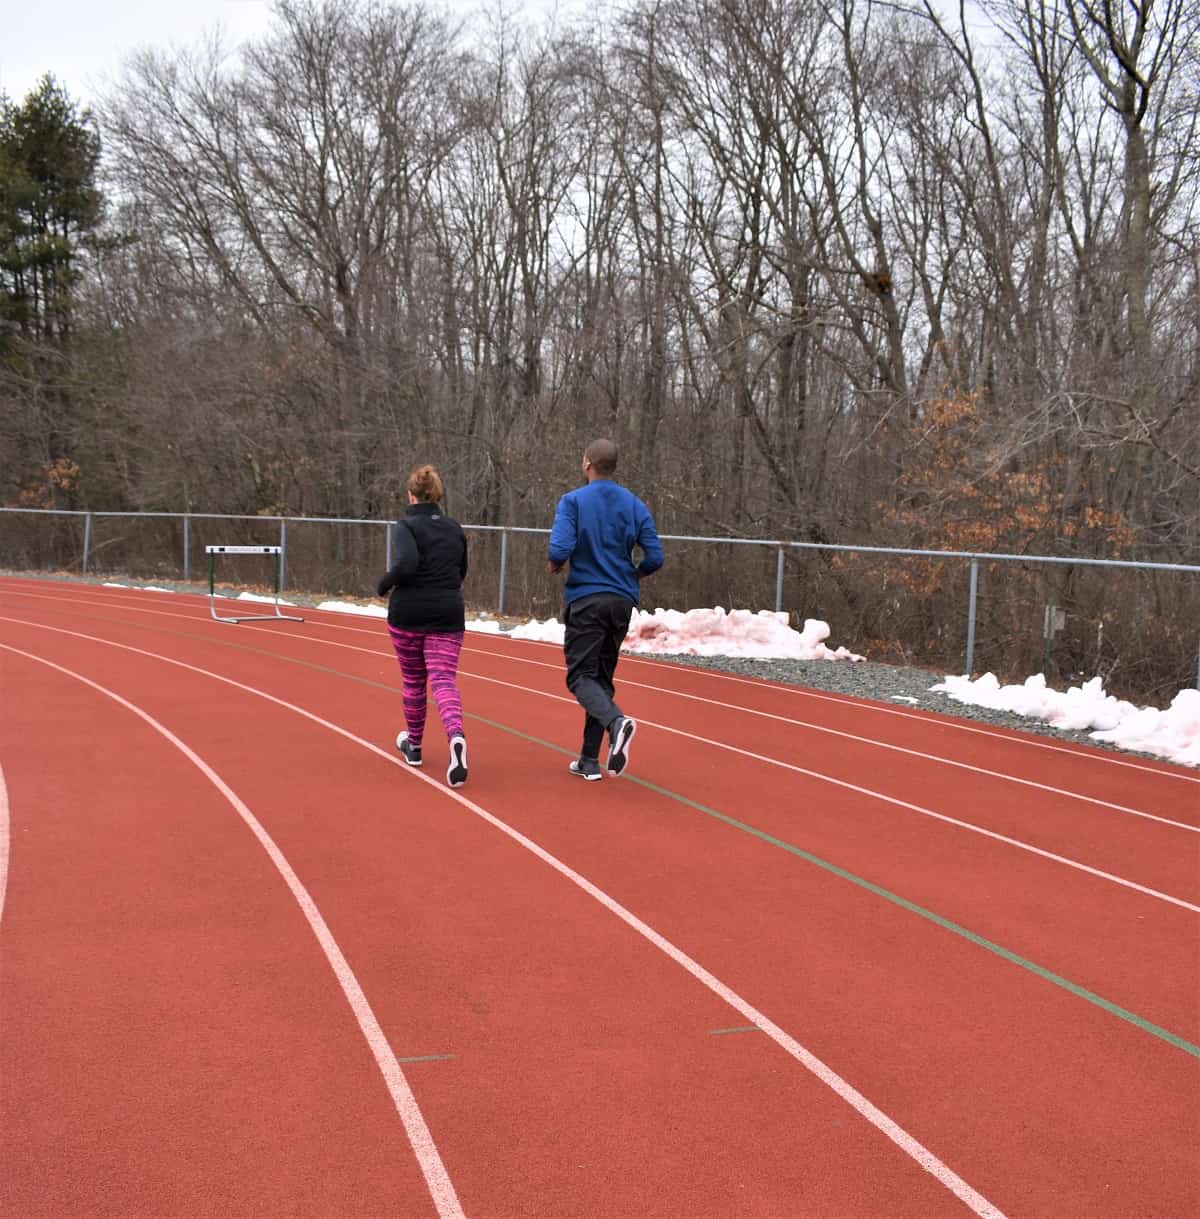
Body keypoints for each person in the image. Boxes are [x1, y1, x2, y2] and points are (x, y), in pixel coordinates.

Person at [547, 438, 663, 780]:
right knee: (600, 679)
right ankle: (588, 760)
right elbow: (655, 557)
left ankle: (616, 723)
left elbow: (559, 547)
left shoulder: (573, 502)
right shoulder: (635, 505)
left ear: (587, 463)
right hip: (621, 602)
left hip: (587, 599)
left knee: (580, 677)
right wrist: (633, 574)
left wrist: (556, 563)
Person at [378, 464, 470, 788]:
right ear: (438, 494)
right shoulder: (455, 528)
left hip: (409, 614)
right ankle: (455, 737)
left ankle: (414, 747)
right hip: (447, 613)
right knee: (443, 679)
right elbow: (461, 571)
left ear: (410, 495)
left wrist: (383, 584)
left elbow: (407, 563)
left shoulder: (405, 526)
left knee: (414, 681)